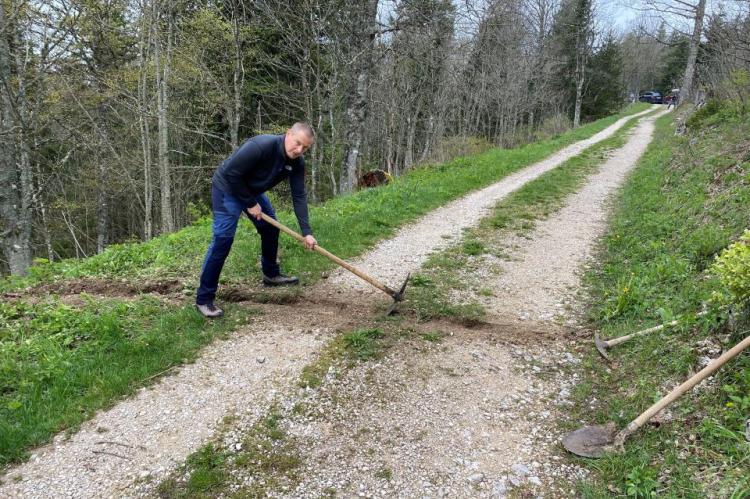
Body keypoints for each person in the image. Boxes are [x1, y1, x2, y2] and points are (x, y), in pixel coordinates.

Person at [195, 122, 318, 318]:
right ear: (288, 134)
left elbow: (299, 196)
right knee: (223, 240)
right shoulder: (260, 146)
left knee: (270, 229)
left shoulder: (297, 162)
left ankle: (271, 274)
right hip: (227, 187)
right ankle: (204, 299)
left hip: (251, 190)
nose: (299, 150)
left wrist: (307, 232)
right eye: (297, 143)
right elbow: (231, 174)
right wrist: (250, 203)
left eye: (305, 148)